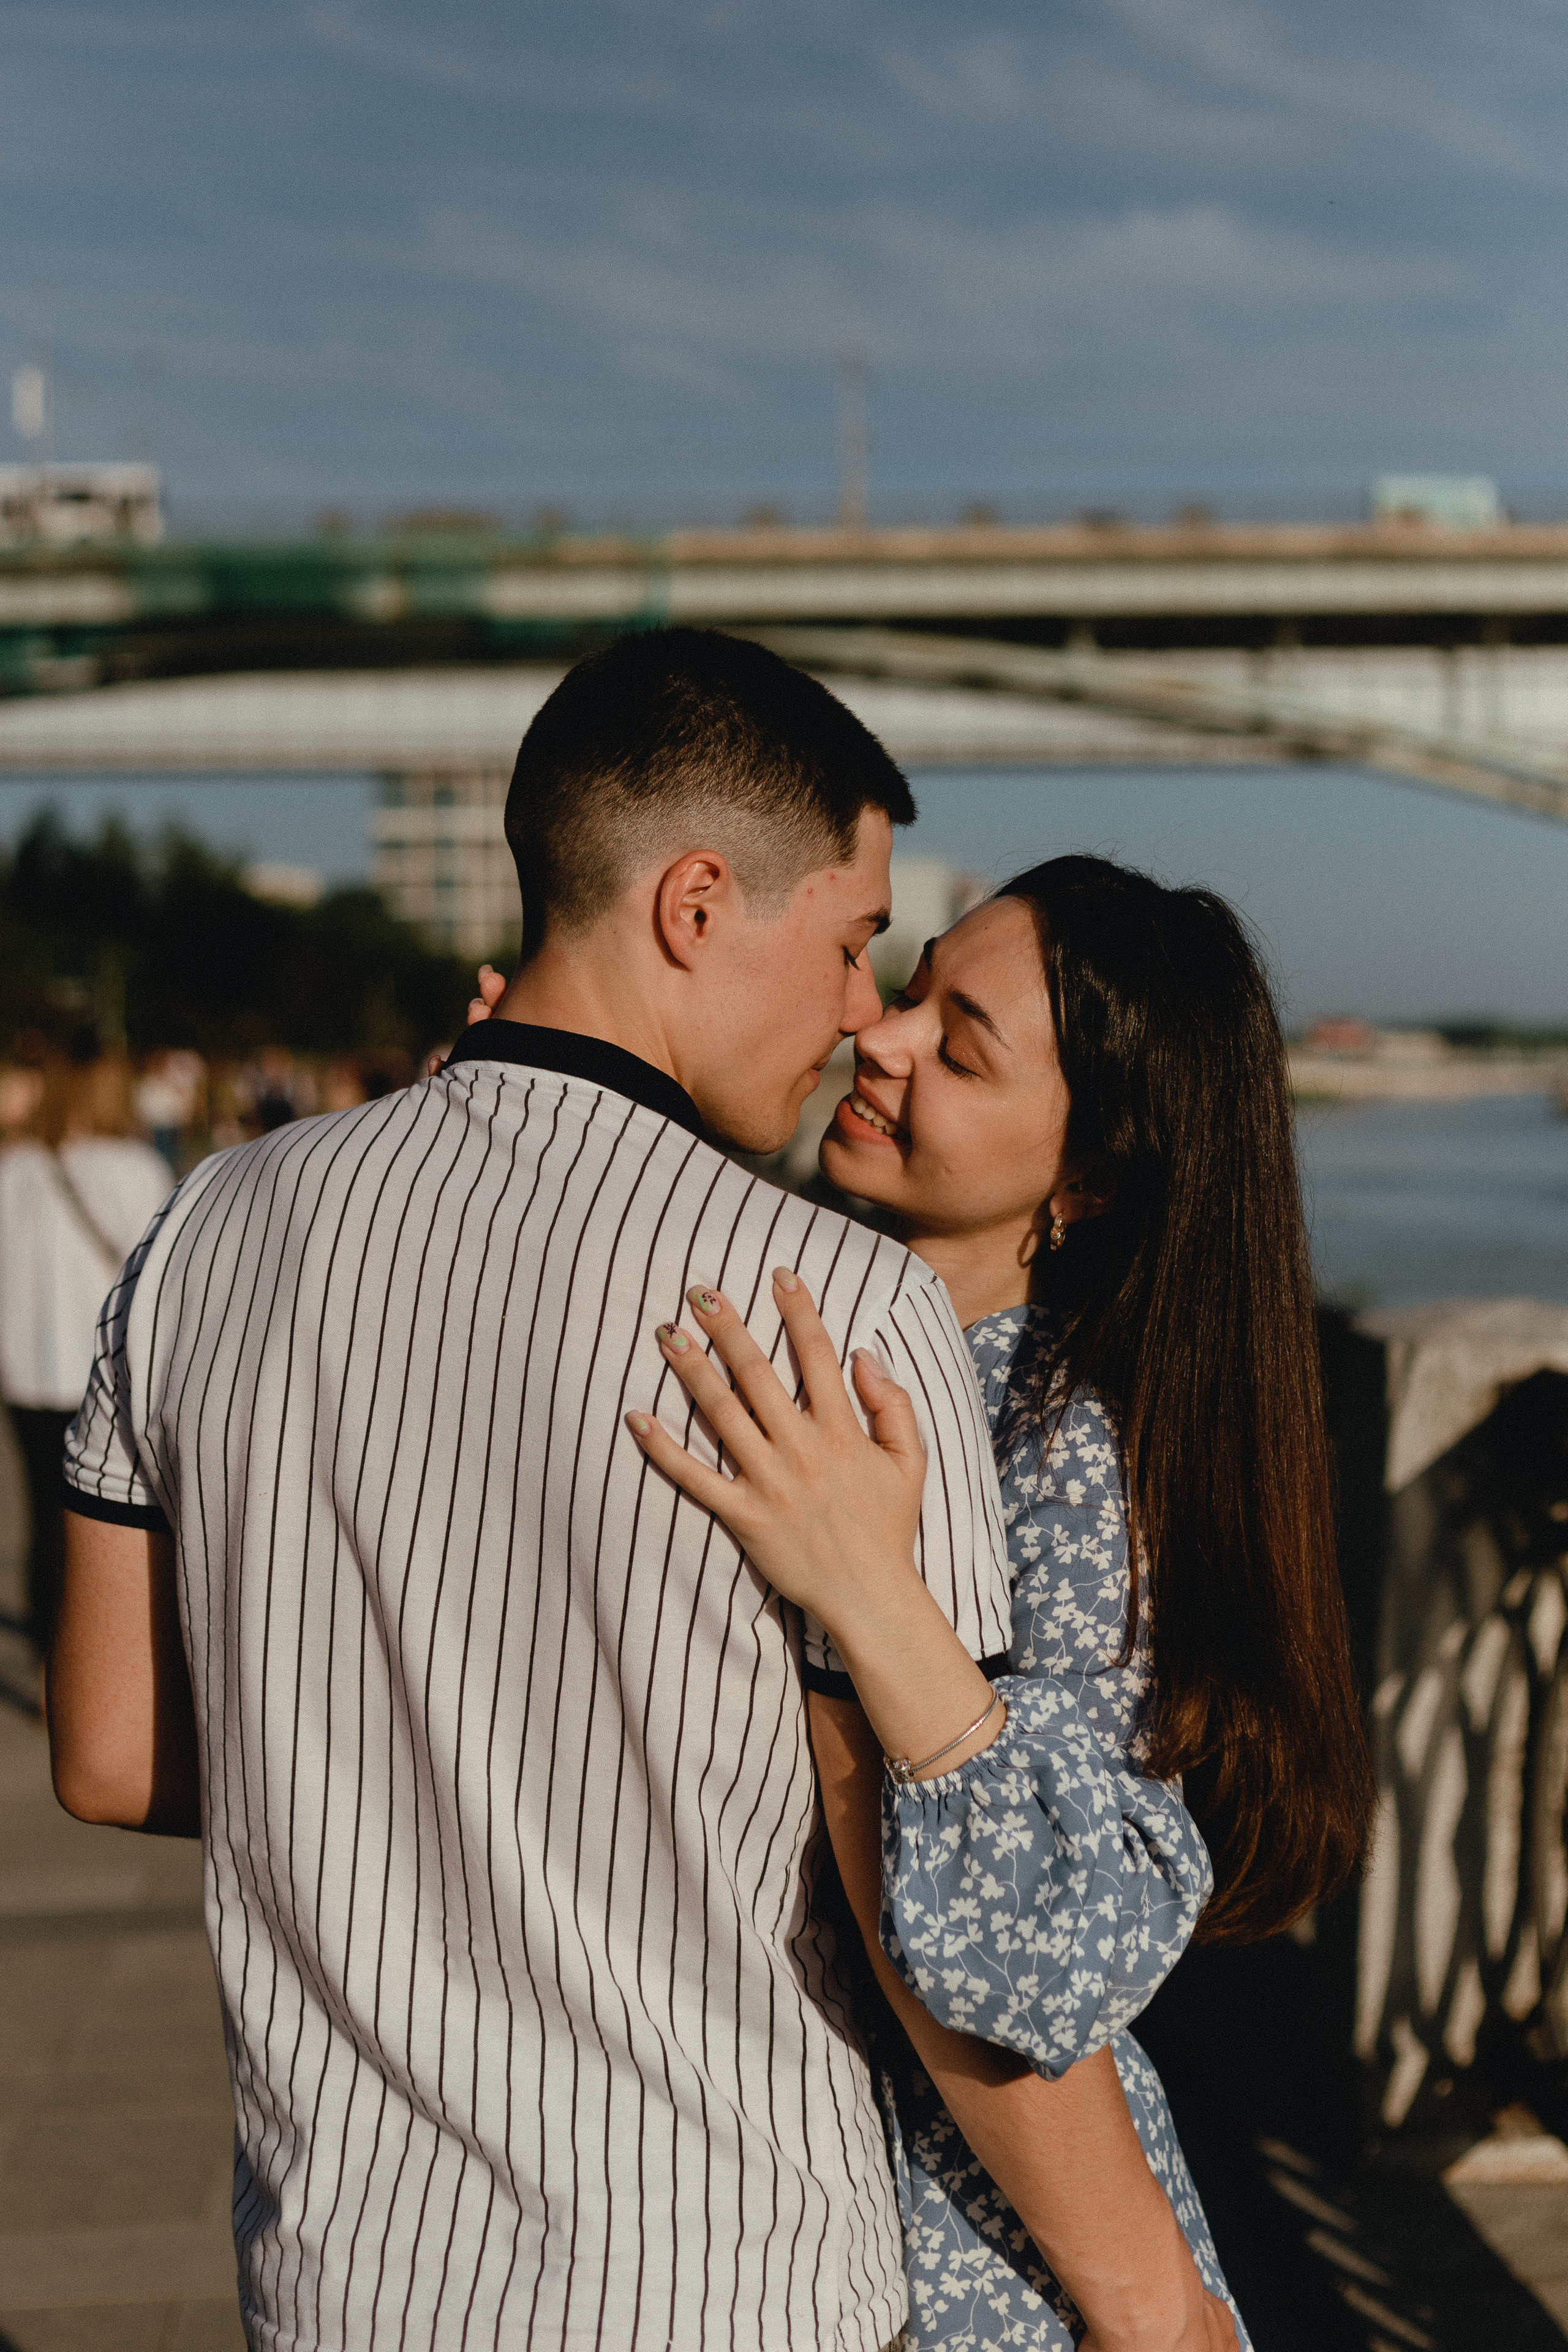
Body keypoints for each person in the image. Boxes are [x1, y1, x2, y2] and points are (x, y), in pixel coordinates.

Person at [44, 635, 1227, 2352]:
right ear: (693, 905)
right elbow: (918, 1899)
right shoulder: (833, 1309)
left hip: (342, 2280)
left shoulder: (208, 1227)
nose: (854, 1014)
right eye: (844, 946)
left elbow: (110, 1750)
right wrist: (1154, 2307)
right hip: (721, 2278)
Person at [628, 856, 1376, 2350]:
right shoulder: (824, 1332)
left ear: (1086, 1173)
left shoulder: (1059, 1459)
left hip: (977, 2269)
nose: (881, 1038)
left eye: (956, 1044)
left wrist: (1142, 2296)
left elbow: (1046, 1959)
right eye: (904, 989)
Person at [0, 1036, 172, 1665]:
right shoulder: (137, 1169)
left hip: (25, 1371)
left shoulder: (14, 1169)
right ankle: (101, 1663)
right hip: (105, 1372)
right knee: (111, 1523)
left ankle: (50, 1660)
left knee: (43, 1517)